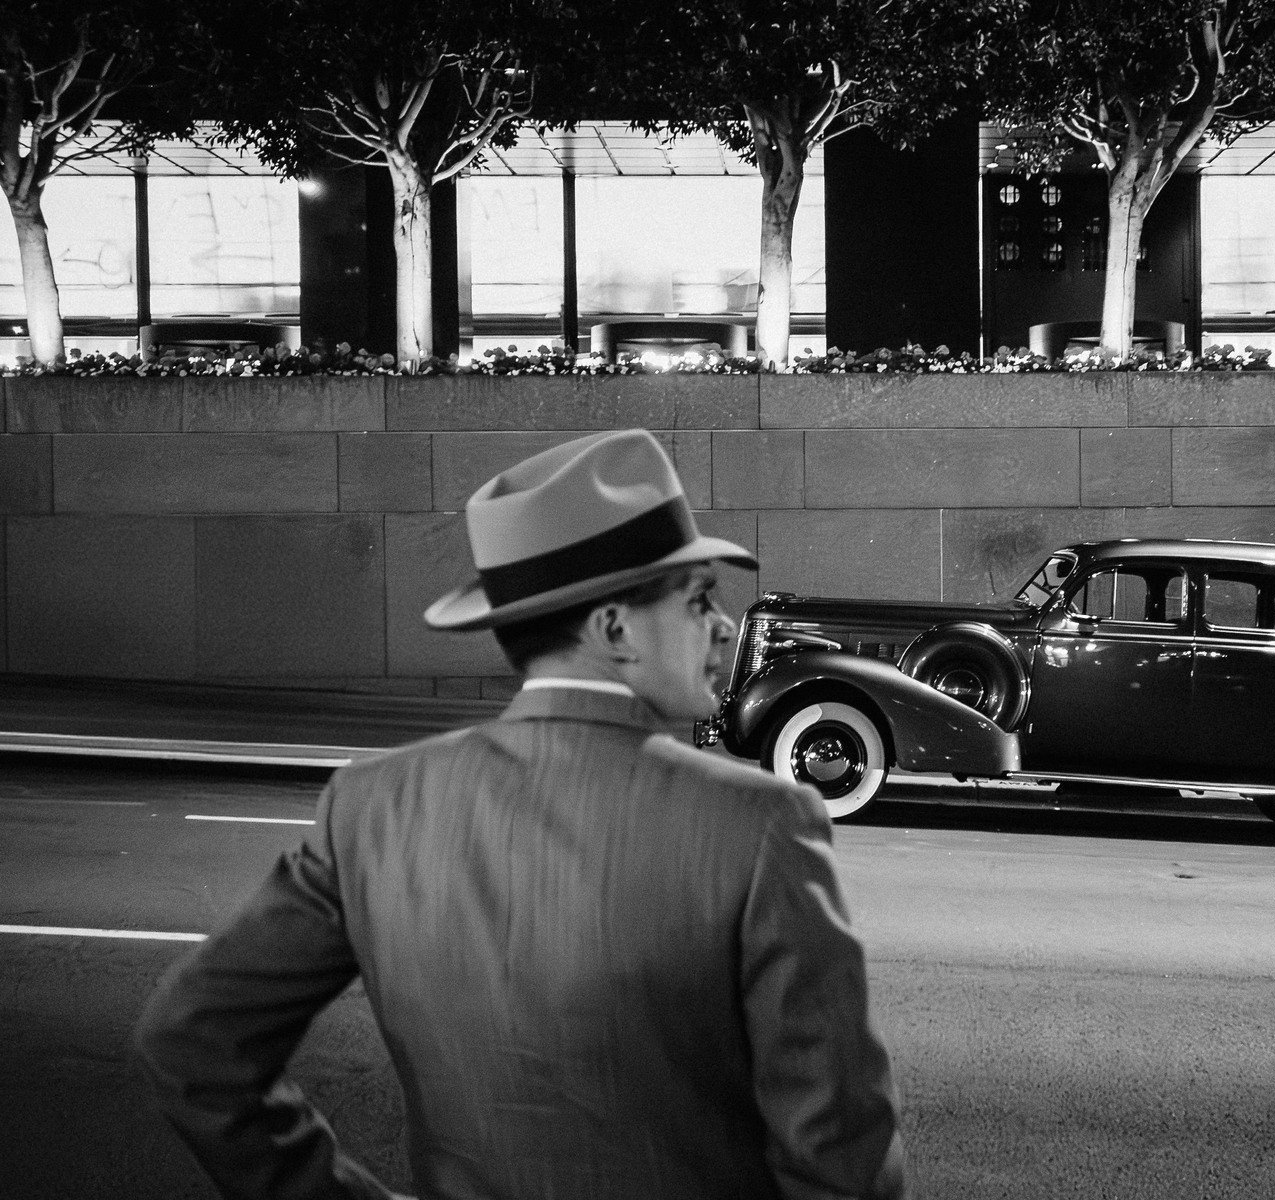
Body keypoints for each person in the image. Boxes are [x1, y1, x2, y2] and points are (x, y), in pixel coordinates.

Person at [134, 429, 907, 1200]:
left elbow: (190, 1041)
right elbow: (840, 1160)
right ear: (612, 629)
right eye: (699, 597)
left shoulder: (372, 807)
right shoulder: (763, 826)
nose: (725, 625)